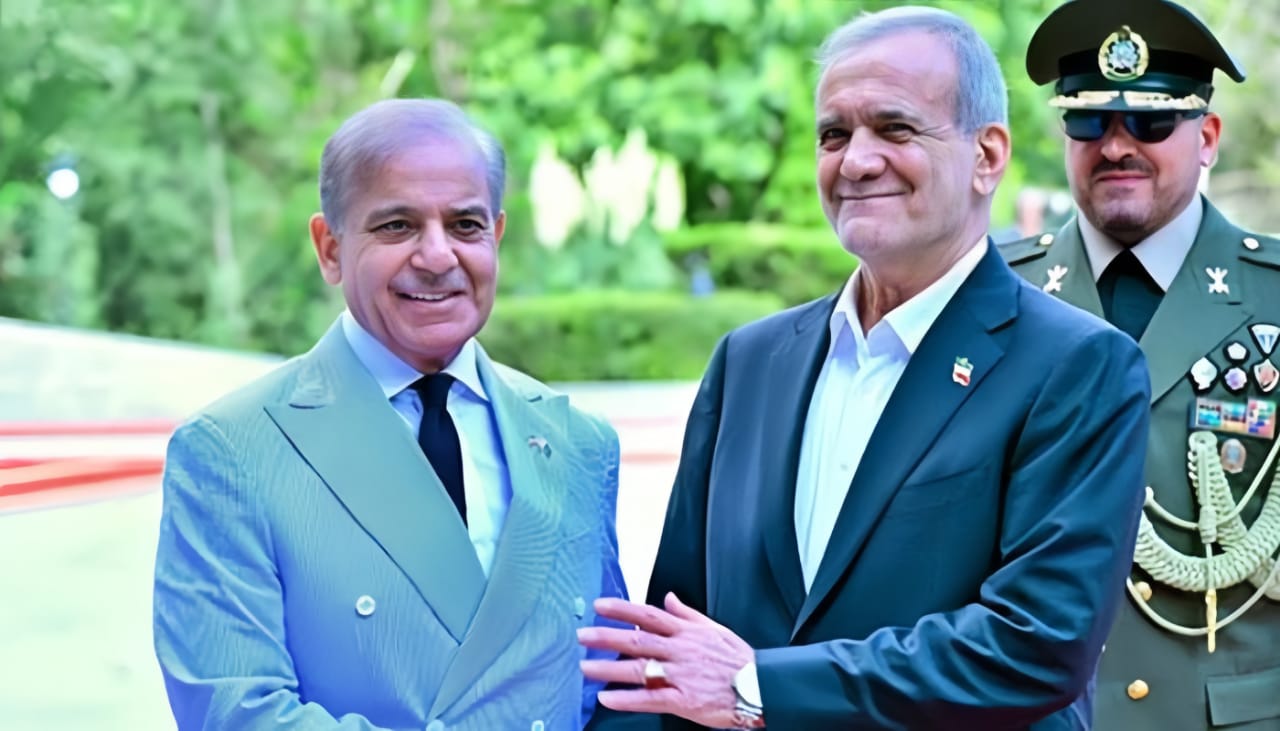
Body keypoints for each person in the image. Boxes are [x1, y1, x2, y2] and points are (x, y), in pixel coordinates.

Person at [578, 6, 1151, 730]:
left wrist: (760, 687)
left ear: (987, 155)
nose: (855, 161)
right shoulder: (749, 362)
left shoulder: (1078, 367)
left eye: (895, 128)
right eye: (834, 135)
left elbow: (1033, 644)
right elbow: (674, 645)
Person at [152, 98, 627, 730]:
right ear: (329, 249)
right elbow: (234, 712)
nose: (437, 256)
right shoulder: (230, 450)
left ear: (496, 237)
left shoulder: (578, 444)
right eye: (397, 226)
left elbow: (611, 689)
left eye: (464, 225)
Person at [1002, 0, 1280, 727]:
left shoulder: (1274, 297)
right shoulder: (994, 298)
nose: (1116, 146)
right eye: (1090, 122)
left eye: (1151, 123)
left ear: (1207, 137)